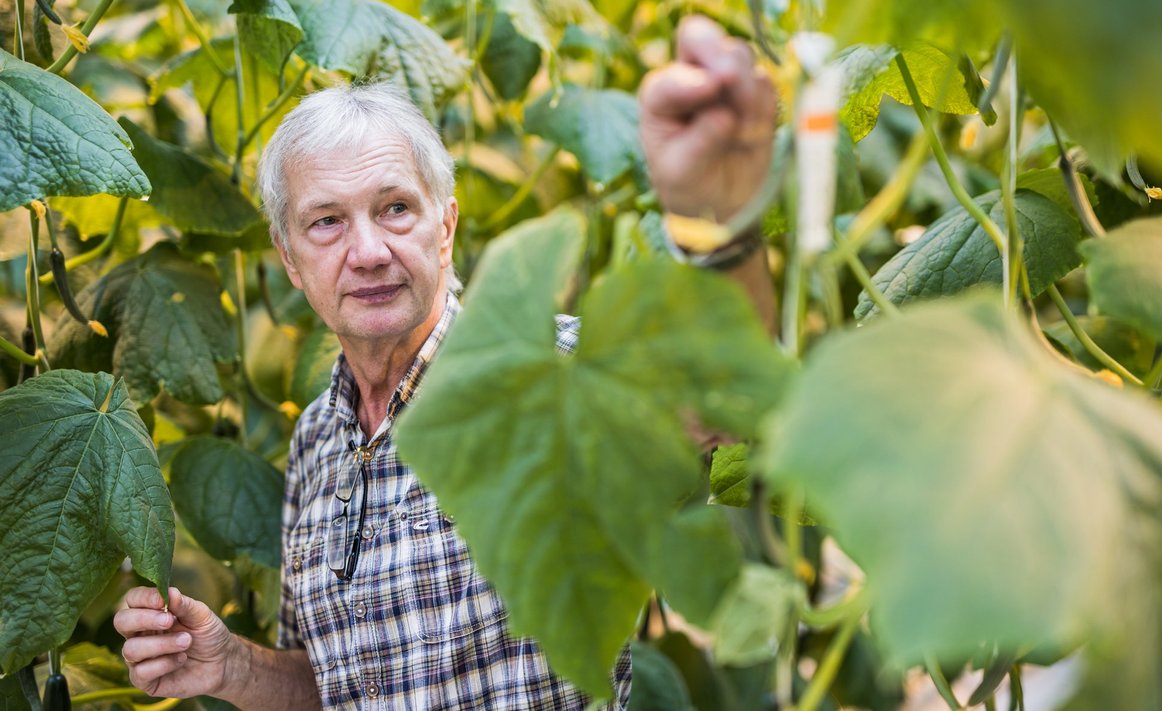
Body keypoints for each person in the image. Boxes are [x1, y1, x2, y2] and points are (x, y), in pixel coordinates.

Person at [114, 14, 778, 709]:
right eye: (327, 222)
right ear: (289, 256)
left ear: (446, 227)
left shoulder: (555, 373)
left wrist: (717, 216)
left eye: (395, 208)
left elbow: (722, 392)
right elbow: (344, 685)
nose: (368, 250)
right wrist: (231, 667)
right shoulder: (316, 439)